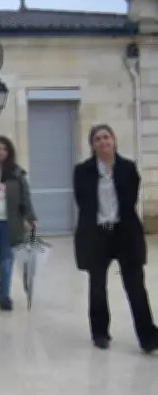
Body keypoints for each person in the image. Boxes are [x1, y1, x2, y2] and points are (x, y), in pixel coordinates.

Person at [73, 125, 158, 353]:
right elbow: (83, 202)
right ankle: (100, 333)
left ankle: (149, 338)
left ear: (114, 140)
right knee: (98, 285)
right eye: (97, 139)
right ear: (92, 145)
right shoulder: (83, 171)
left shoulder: (128, 168)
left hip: (124, 233)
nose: (103, 142)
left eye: (106, 137)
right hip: (98, 234)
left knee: (136, 287)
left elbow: (130, 199)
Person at [0, 136, 37, 311]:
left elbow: (26, 198)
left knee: (6, 263)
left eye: (3, 148)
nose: (0, 151)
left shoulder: (17, 173)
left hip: (10, 225)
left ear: (8, 151)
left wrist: (31, 218)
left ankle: (4, 297)